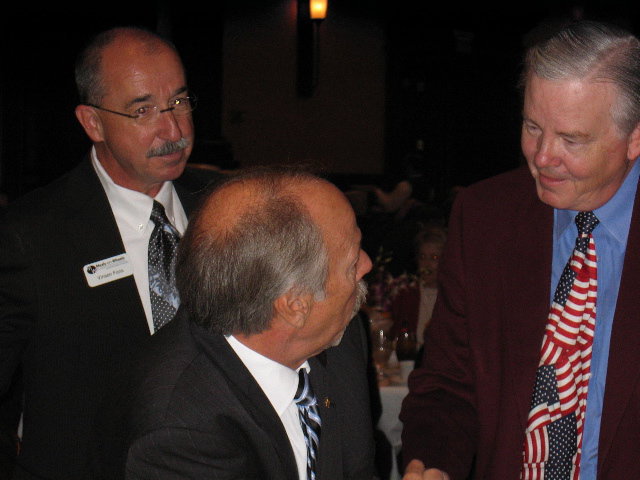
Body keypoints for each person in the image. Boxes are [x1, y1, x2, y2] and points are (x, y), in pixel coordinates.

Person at [400, 20, 640, 480]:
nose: (542, 156)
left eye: (572, 139)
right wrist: (430, 462)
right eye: (532, 126)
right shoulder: (485, 216)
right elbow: (448, 383)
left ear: (633, 138)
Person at [0, 26, 217, 479]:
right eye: (143, 111)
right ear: (92, 122)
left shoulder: (228, 209)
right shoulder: (30, 234)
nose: (173, 129)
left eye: (179, 102)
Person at [119, 166, 375, 479]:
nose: (367, 264)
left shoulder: (341, 338)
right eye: (351, 263)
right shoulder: (178, 429)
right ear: (295, 305)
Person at [389, 224, 447, 348]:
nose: (427, 264)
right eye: (422, 257)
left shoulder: (453, 297)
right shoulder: (406, 293)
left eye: (434, 258)